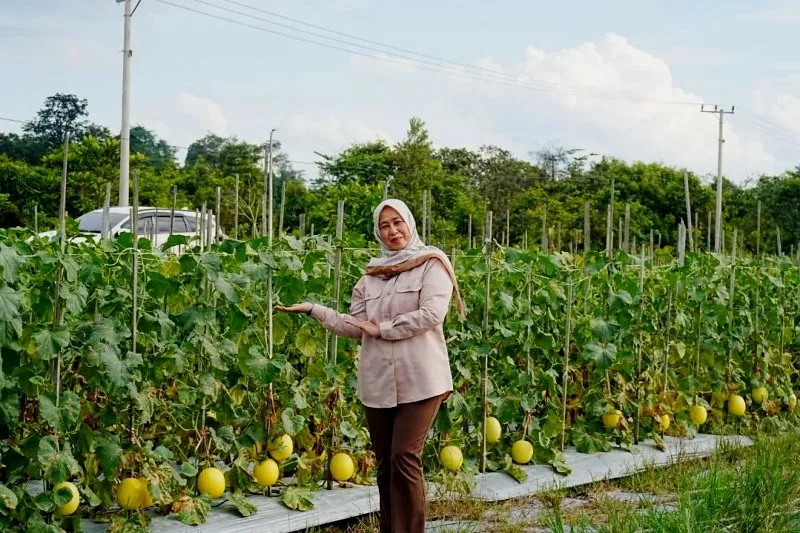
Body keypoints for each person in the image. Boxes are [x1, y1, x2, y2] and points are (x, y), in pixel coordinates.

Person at [276, 198, 465, 533]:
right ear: (378, 232)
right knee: (385, 465)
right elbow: (355, 326)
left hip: (422, 379)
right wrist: (315, 310)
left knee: (404, 457)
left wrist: (383, 329)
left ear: (409, 223)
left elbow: (432, 314)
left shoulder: (432, 264)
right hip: (378, 381)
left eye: (397, 222)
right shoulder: (371, 277)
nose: (393, 231)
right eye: (384, 225)